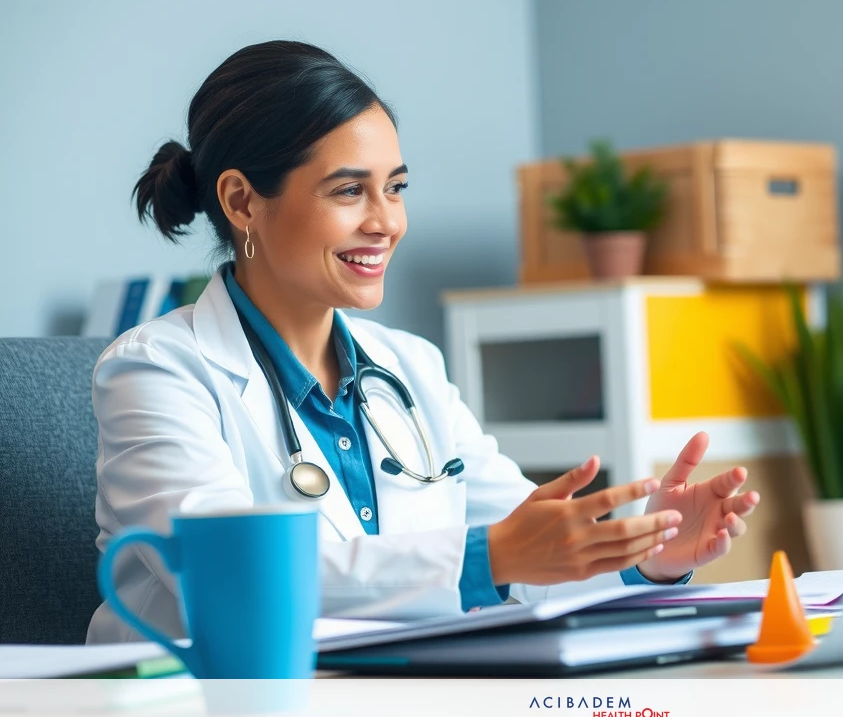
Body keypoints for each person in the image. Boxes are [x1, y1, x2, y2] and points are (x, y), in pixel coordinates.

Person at [88, 40, 760, 643]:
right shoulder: (155, 372)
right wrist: (487, 557)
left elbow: (531, 558)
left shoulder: (410, 368)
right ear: (240, 202)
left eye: (397, 188)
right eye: (349, 190)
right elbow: (234, 581)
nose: (386, 222)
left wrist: (646, 551)